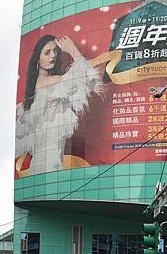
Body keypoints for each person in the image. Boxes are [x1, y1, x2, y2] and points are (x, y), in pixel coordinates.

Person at [16, 35, 102, 177]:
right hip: (47, 167)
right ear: (37, 59)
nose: (53, 55)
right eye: (47, 52)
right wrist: (73, 51)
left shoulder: (48, 85)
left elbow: (89, 82)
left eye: (55, 51)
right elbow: (85, 80)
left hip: (49, 164)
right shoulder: (45, 82)